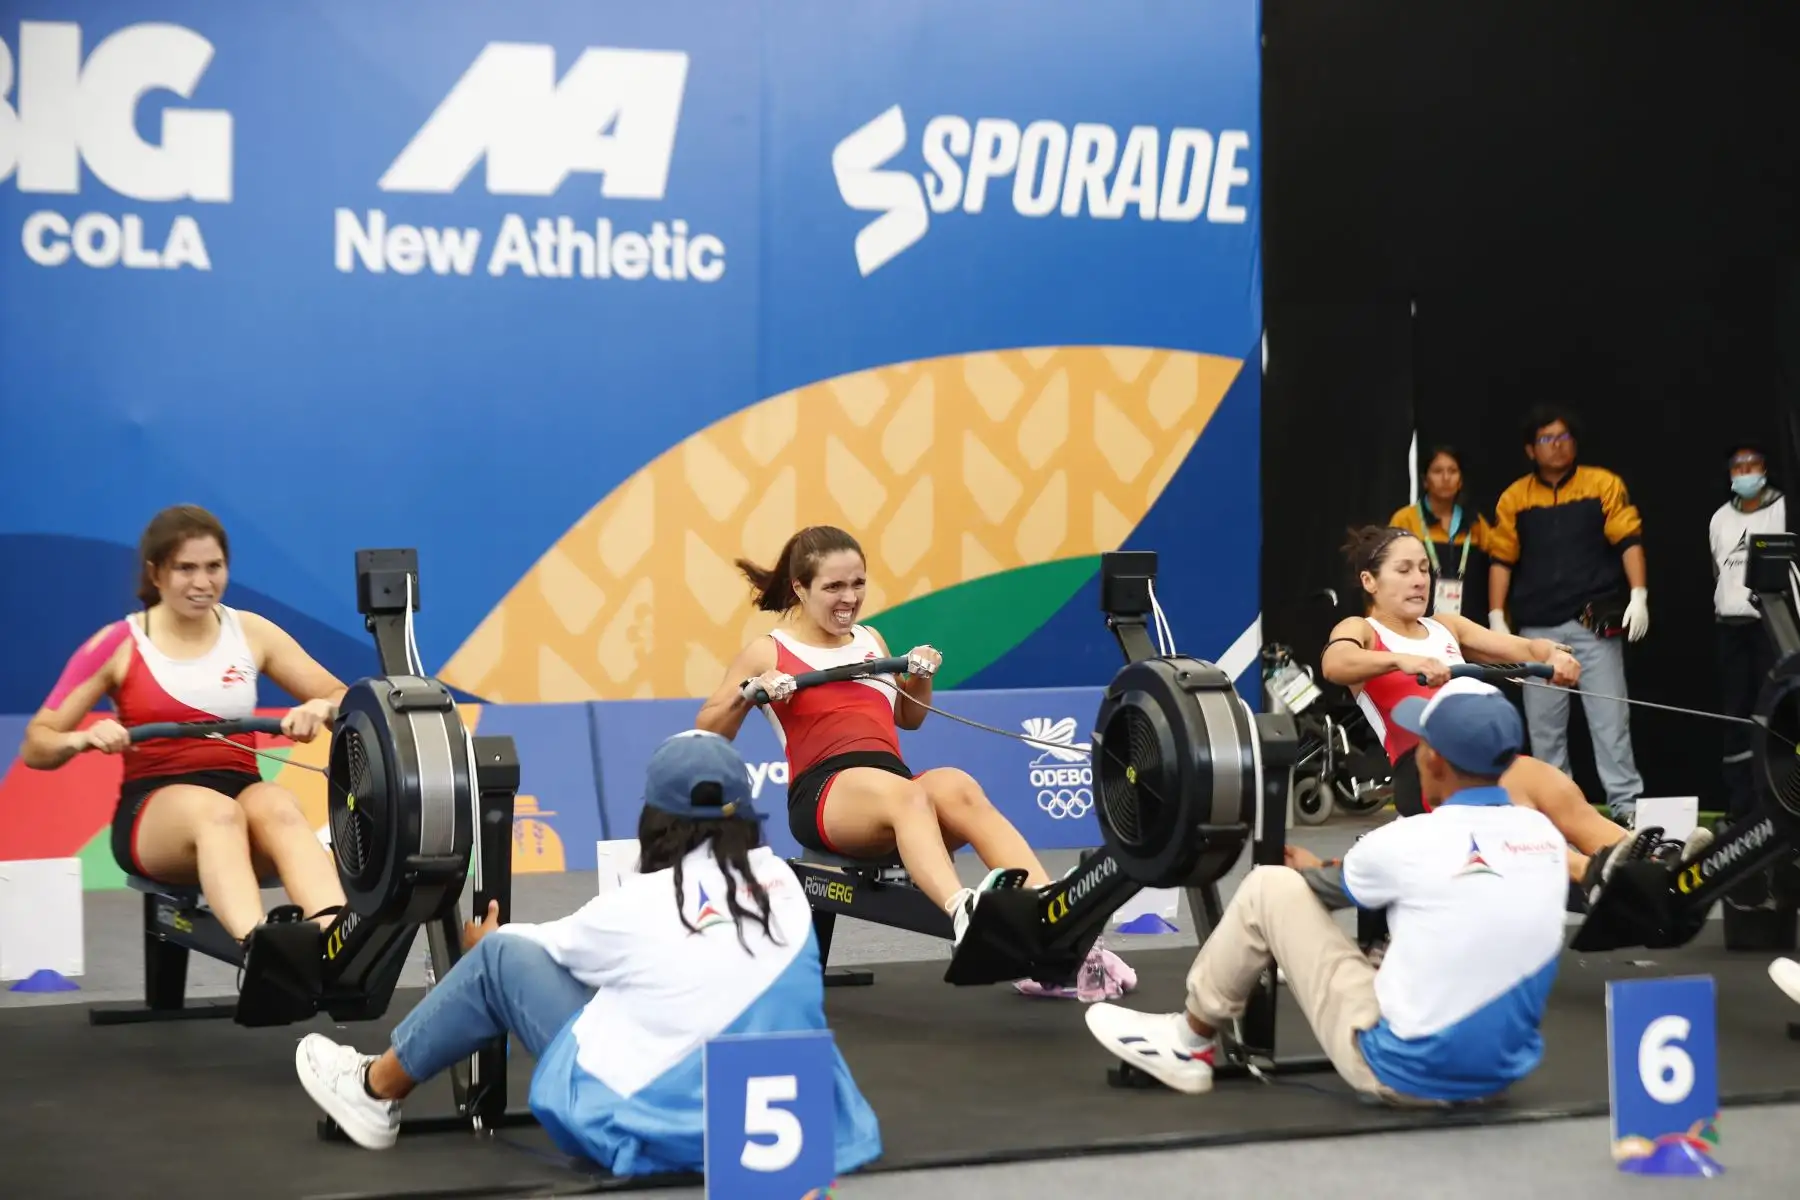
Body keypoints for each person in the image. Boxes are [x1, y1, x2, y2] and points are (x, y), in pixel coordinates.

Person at [294, 730, 885, 1178]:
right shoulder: (783, 885)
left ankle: (372, 1089)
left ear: (657, 815)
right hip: (795, 1136)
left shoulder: (643, 901)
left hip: (657, 1131)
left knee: (502, 960)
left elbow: (528, 956)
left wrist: (481, 947)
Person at [695, 524, 1135, 1002]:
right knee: (907, 795)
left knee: (957, 785)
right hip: (824, 796)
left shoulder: (870, 639)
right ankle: (963, 913)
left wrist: (920, 678)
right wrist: (752, 692)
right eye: (834, 587)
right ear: (800, 588)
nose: (850, 598)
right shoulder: (769, 650)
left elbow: (909, 718)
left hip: (893, 792)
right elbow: (709, 729)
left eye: (858, 583)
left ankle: (1055, 913)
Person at [1084, 678, 1569, 1103]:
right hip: (1499, 1076)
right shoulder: (1544, 837)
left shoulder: (1405, 840)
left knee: (1269, 886)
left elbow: (1306, 893)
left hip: (1403, 1073)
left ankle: (1187, 1041)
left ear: (1433, 759)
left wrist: (1318, 871)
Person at [18, 504, 348, 945]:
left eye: (214, 567)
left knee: (279, 805)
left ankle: (338, 943)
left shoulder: (251, 632)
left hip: (242, 795)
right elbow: (37, 746)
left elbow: (341, 696)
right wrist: (82, 738)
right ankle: (263, 951)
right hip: (155, 819)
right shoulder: (118, 643)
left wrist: (321, 711)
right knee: (217, 813)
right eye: (185, 569)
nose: (202, 583)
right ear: (156, 574)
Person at [1321, 525, 1675, 890]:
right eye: (1404, 569)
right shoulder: (1363, 630)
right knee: (1525, 795)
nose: (1419, 580)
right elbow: (1335, 662)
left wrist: (1552, 654)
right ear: (1370, 581)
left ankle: (1657, 862)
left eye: (1425, 569)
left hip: (1484, 759)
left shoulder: (1446, 625)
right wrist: (1401, 660)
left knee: (1559, 790)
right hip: (1430, 770)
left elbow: (1523, 649)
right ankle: (1605, 877)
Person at [1487, 405, 1648, 822]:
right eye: (1546, 439)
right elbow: (1501, 559)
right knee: (1544, 732)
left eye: (1563, 437)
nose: (1556, 446)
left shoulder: (1603, 484)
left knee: (1611, 721)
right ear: (1529, 449)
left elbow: (1628, 538)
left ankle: (1626, 808)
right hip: (1538, 629)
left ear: (1574, 443)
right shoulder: (1515, 496)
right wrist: (1496, 617)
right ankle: (1557, 815)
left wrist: (1639, 594)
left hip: (1593, 625)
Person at [1708, 444, 1788, 823]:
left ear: (1765, 468)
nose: (1745, 472)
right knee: (1736, 716)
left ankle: (1777, 802)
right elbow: (1717, 572)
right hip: (1731, 630)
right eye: (1737, 467)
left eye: (1752, 465)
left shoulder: (1783, 508)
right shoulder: (1719, 518)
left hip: (1771, 629)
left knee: (1774, 713)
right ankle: (1740, 807)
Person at [1387, 445, 1493, 621]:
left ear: (1460, 480)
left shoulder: (1476, 523)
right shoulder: (1405, 519)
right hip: (1418, 623)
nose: (1446, 478)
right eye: (1437, 471)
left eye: (1452, 471)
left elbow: (1497, 567)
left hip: (1469, 625)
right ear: (1424, 480)